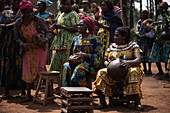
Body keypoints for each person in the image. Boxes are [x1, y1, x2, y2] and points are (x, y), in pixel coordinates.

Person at [94, 27, 144, 111]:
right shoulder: (111, 46)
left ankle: (137, 103)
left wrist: (127, 62)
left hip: (129, 69)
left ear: (124, 37)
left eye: (117, 35)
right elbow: (105, 60)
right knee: (101, 72)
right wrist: (107, 64)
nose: (114, 37)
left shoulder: (133, 46)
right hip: (112, 71)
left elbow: (138, 60)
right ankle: (102, 102)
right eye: (114, 35)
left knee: (133, 72)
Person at [14, 1, 52, 102]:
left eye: (31, 12)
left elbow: (48, 32)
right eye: (27, 12)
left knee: (41, 70)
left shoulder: (38, 20)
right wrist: (22, 44)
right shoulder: (18, 23)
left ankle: (48, 93)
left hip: (40, 50)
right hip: (28, 49)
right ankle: (28, 95)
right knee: (27, 71)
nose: (30, 14)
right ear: (22, 13)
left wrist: (45, 40)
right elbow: (17, 37)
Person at [63, 15, 102, 87]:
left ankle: (82, 91)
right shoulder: (76, 39)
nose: (78, 27)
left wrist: (86, 55)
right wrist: (71, 59)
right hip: (76, 61)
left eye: (81, 25)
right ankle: (68, 89)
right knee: (67, 66)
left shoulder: (95, 39)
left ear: (87, 27)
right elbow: (71, 53)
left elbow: (99, 56)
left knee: (79, 68)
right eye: (78, 25)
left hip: (91, 64)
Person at [49, 0, 80, 85]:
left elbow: (77, 28)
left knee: (65, 65)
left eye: (67, 4)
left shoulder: (74, 14)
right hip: (59, 44)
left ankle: (65, 85)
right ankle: (57, 84)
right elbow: (58, 30)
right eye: (64, 4)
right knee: (56, 64)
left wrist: (62, 26)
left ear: (71, 5)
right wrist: (53, 28)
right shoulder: (61, 15)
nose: (65, 6)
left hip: (69, 44)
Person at [0, 0, 26, 99]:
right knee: (7, 66)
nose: (15, 3)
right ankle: (6, 91)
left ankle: (23, 91)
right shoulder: (5, 13)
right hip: (7, 45)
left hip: (19, 44)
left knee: (21, 66)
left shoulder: (23, 14)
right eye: (14, 1)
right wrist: (10, 25)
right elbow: (0, 26)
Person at [149, 1, 170, 78]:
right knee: (155, 55)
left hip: (166, 39)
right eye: (160, 8)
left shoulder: (168, 16)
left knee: (166, 57)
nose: (160, 9)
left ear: (166, 8)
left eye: (162, 8)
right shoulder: (159, 17)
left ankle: (167, 73)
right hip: (158, 39)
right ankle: (160, 71)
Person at [136, 10, 154, 74]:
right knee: (142, 55)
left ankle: (149, 69)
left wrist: (146, 35)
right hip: (141, 41)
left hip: (147, 41)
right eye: (142, 13)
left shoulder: (150, 21)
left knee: (148, 54)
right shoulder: (139, 22)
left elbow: (152, 31)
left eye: (145, 13)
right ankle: (145, 69)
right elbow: (137, 30)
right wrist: (138, 35)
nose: (143, 15)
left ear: (147, 14)